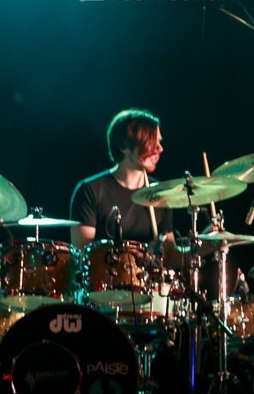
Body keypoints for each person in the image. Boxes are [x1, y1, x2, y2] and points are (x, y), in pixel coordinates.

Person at [70, 107, 183, 271]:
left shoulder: (160, 193)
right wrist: (144, 254)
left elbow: (170, 257)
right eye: (151, 143)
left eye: (159, 142)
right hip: (104, 284)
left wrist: (207, 244)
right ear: (124, 146)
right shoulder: (90, 191)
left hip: (149, 285)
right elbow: (83, 255)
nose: (160, 148)